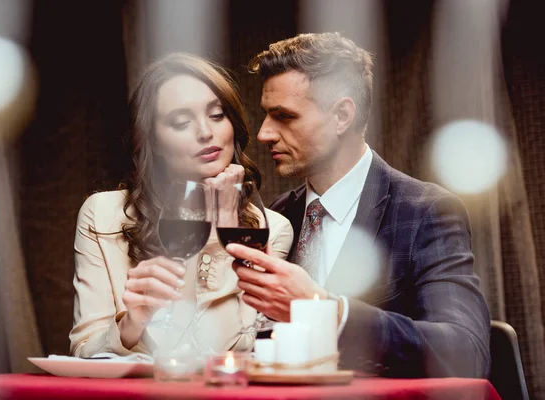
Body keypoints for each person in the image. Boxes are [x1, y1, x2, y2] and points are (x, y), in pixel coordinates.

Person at [224, 32, 490, 378]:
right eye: (266, 115)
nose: (264, 133)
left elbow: (466, 352)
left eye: (284, 116)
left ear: (342, 116)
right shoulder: (279, 215)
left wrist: (329, 312)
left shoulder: (427, 211)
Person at [69, 53, 293, 358]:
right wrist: (132, 322)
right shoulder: (102, 214)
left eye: (217, 115)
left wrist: (225, 225)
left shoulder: (272, 228)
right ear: (154, 141)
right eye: (181, 122)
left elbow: (234, 348)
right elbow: (84, 349)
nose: (205, 132)